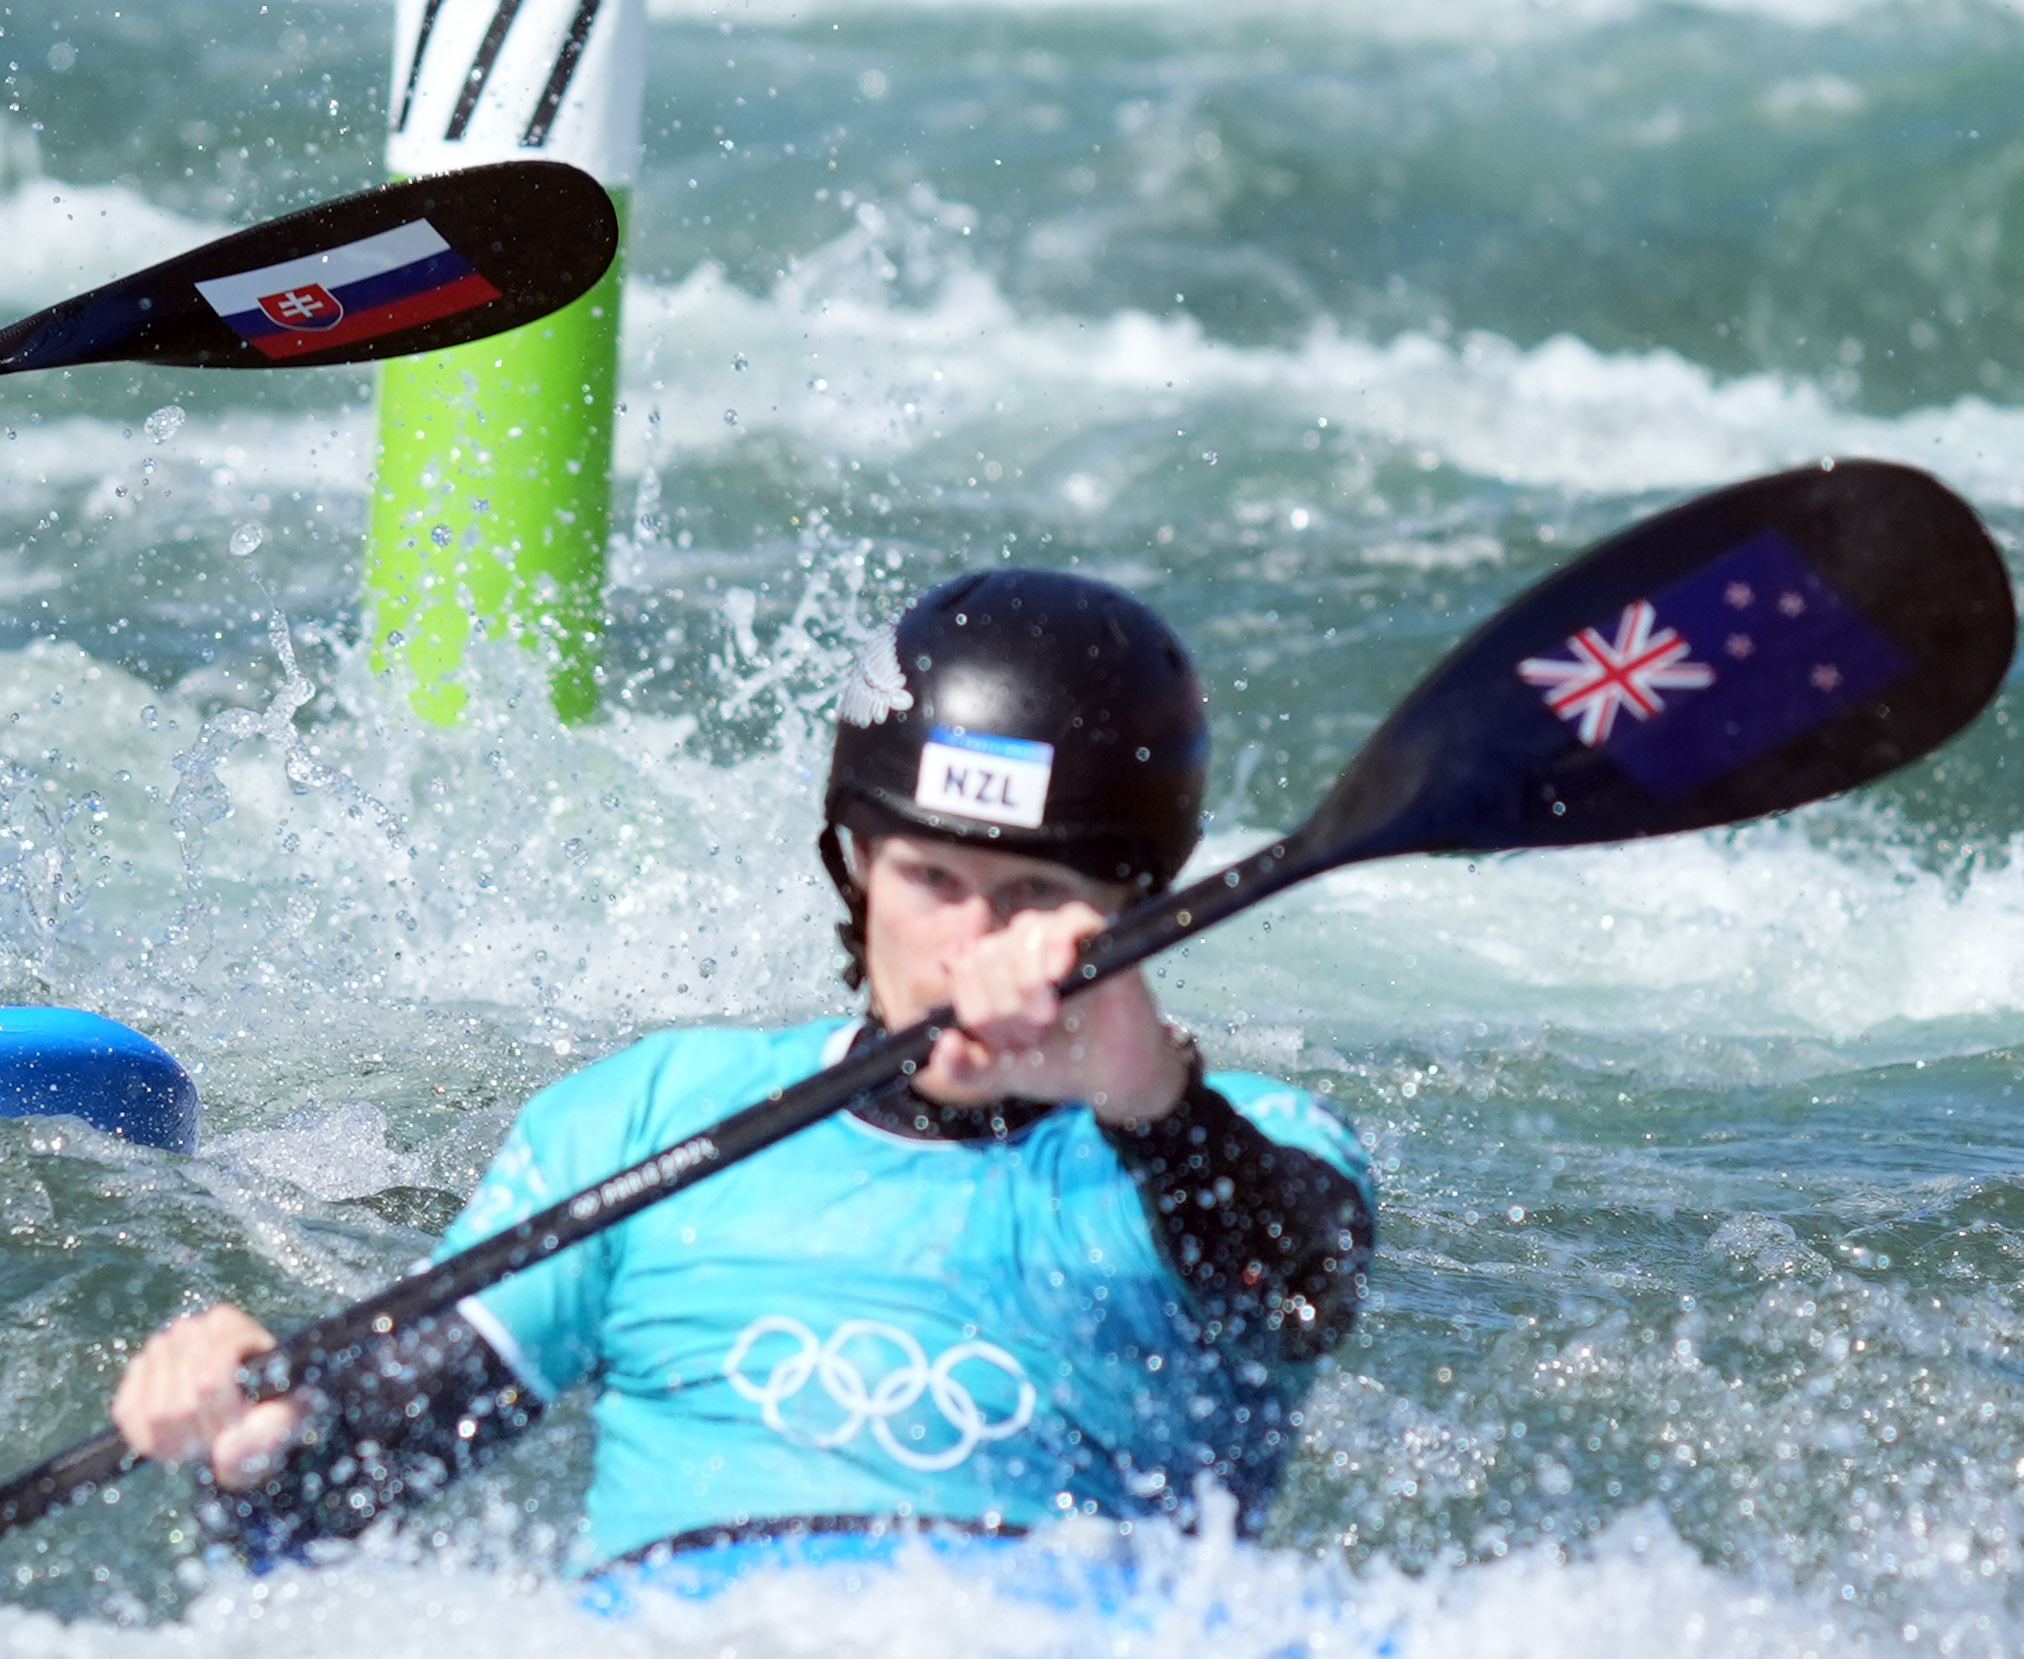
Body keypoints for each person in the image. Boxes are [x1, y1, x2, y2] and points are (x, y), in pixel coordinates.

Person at [109, 571, 1375, 1574]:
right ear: (856, 865)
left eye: (1035, 894)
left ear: (1133, 907)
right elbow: (334, 1509)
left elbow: (1302, 1300)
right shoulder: (649, 1116)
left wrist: (1146, 1093)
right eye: (932, 878)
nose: (972, 941)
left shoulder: (1246, 1144)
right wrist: (257, 1440)